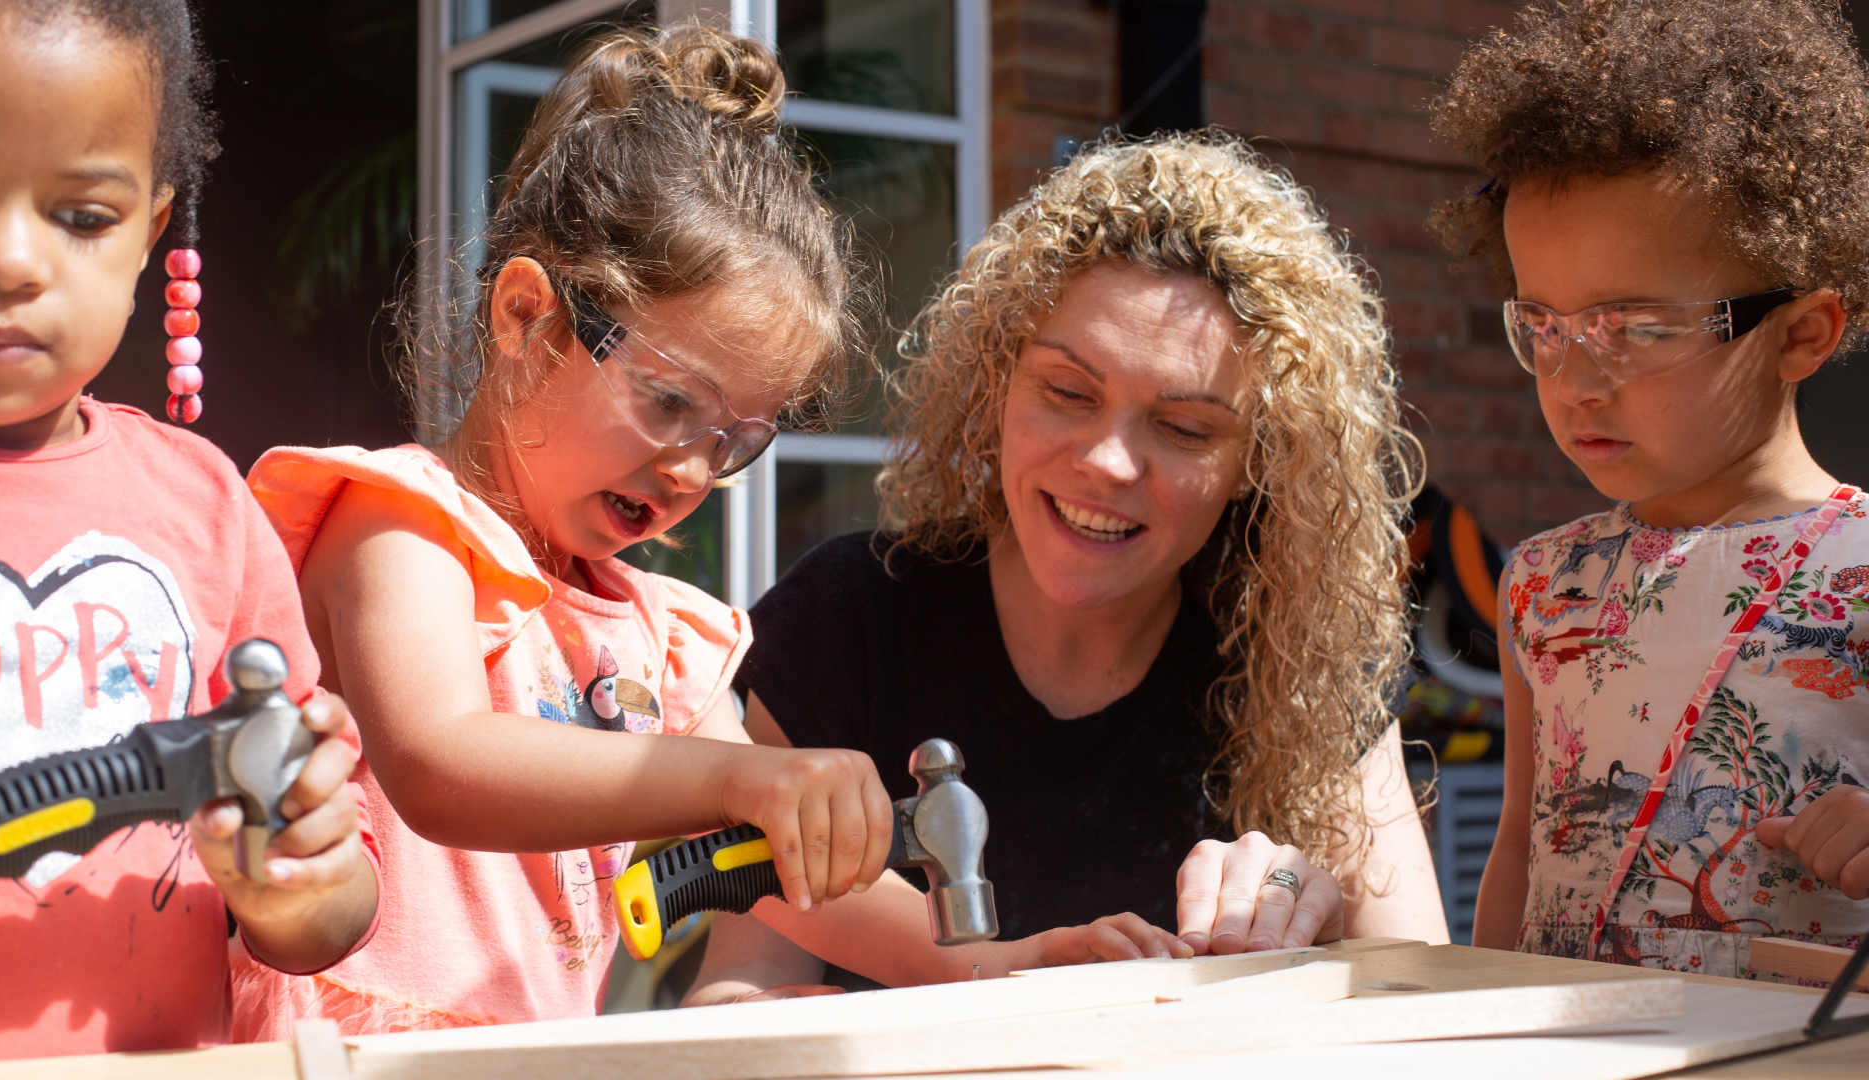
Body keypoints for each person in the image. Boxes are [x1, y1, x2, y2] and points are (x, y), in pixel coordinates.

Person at [235, 24, 1185, 1039]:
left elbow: (772, 863)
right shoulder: (403, 526)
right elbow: (443, 761)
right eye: (669, 401)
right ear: (525, 317)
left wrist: (993, 967)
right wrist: (748, 774)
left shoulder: (649, 636)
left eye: (737, 439)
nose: (692, 468)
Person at [686, 133, 1451, 1005]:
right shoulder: (848, 619)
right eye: (1068, 391)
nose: (1109, 462)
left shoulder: (1305, 661)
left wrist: (1317, 922)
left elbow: (1426, 1001)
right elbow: (736, 988)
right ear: (995, 385)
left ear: (1263, 462)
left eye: (1187, 429)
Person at [0, 0, 379, 1061]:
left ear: (150, 230)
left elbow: (332, 909)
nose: (5, 259)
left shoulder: (209, 508)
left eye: (82, 216)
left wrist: (296, 877)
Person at [1433, 0, 1869, 977]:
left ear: (1801, 332)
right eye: (1544, 325)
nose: (1577, 378)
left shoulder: (1861, 569)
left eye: (1635, 326)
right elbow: (1522, 846)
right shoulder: (1542, 582)